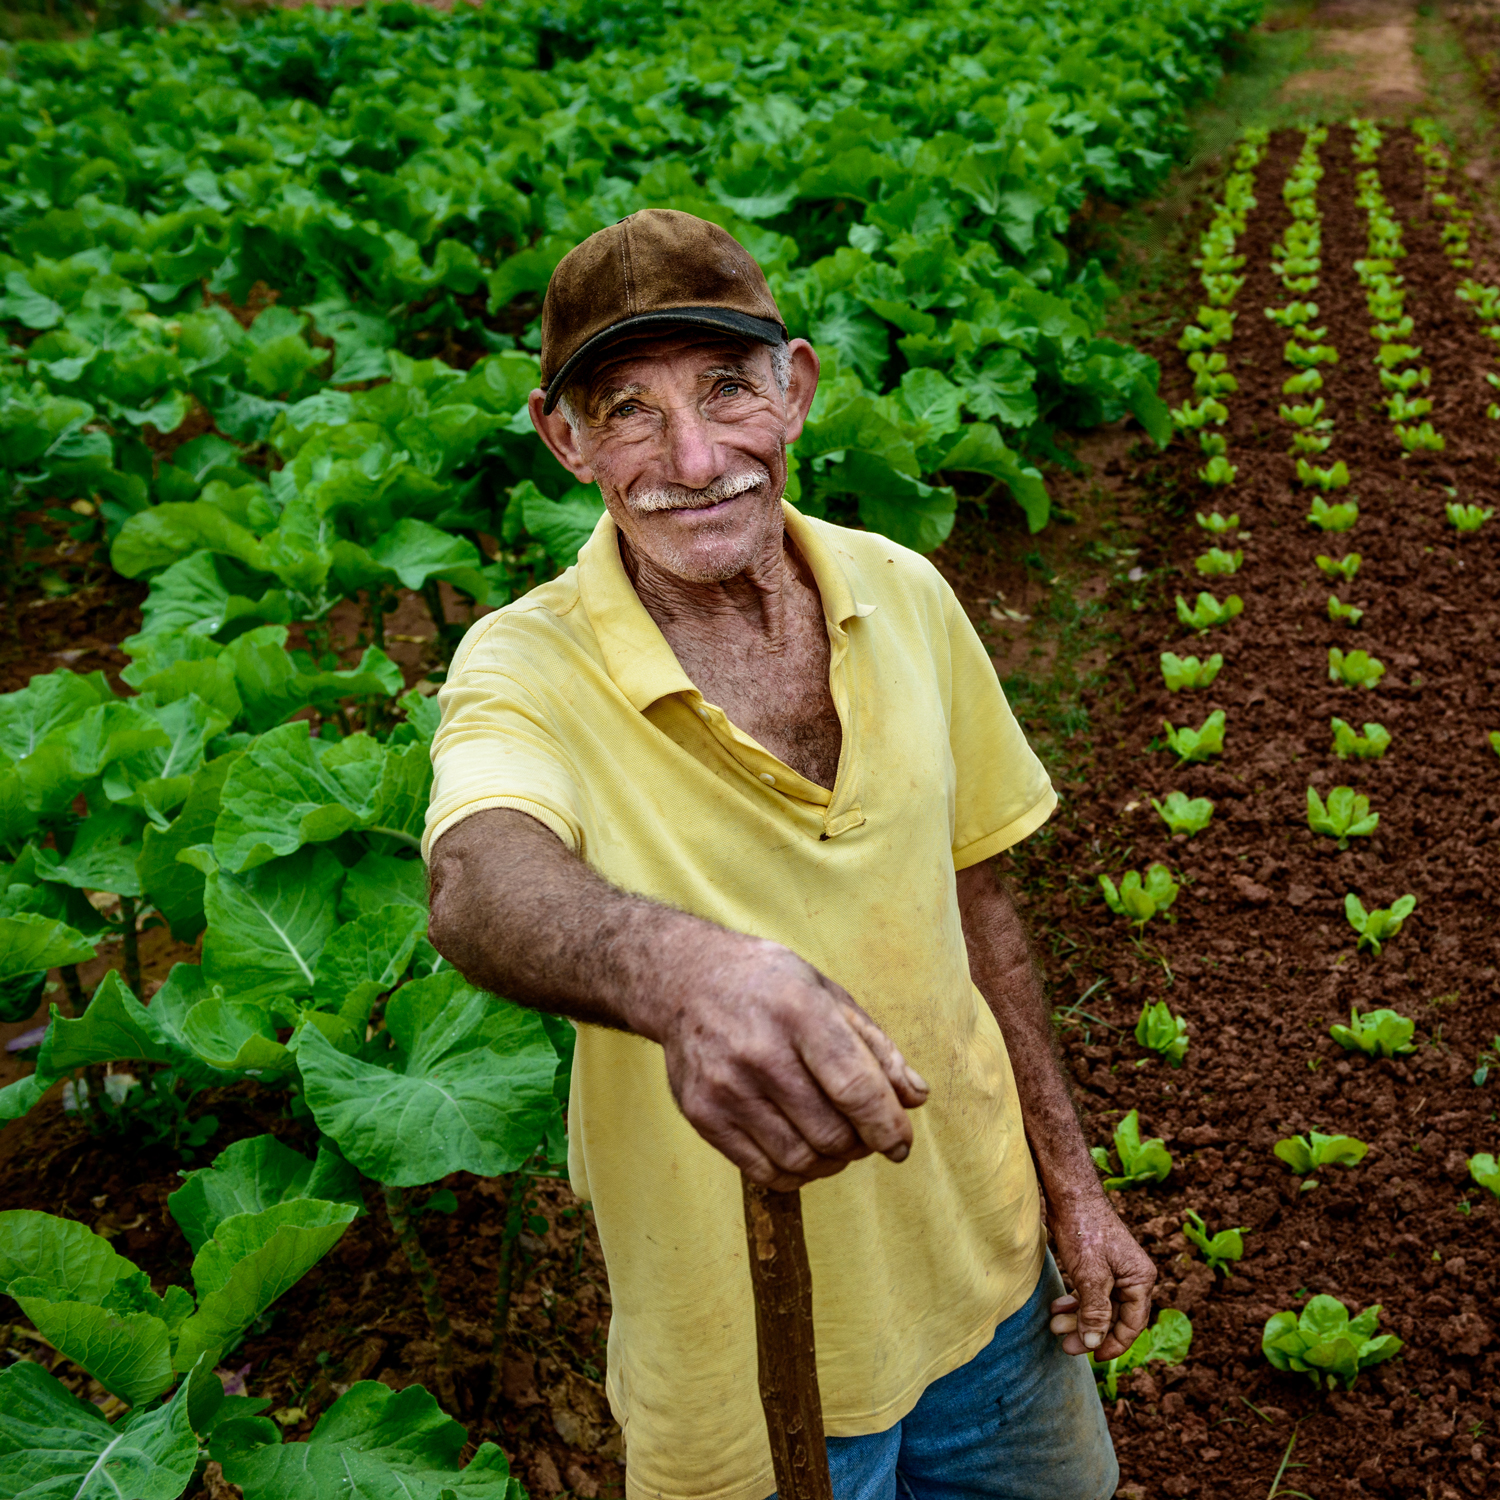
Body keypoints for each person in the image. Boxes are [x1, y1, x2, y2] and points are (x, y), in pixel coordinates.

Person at [424, 209, 1154, 1500]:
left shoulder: (906, 593)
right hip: (749, 1375)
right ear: (563, 437)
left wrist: (1073, 1187)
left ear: (797, 388)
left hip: (995, 1292)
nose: (694, 458)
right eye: (629, 410)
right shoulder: (524, 667)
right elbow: (481, 878)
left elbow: (979, 900)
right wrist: (687, 975)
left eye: (724, 389)